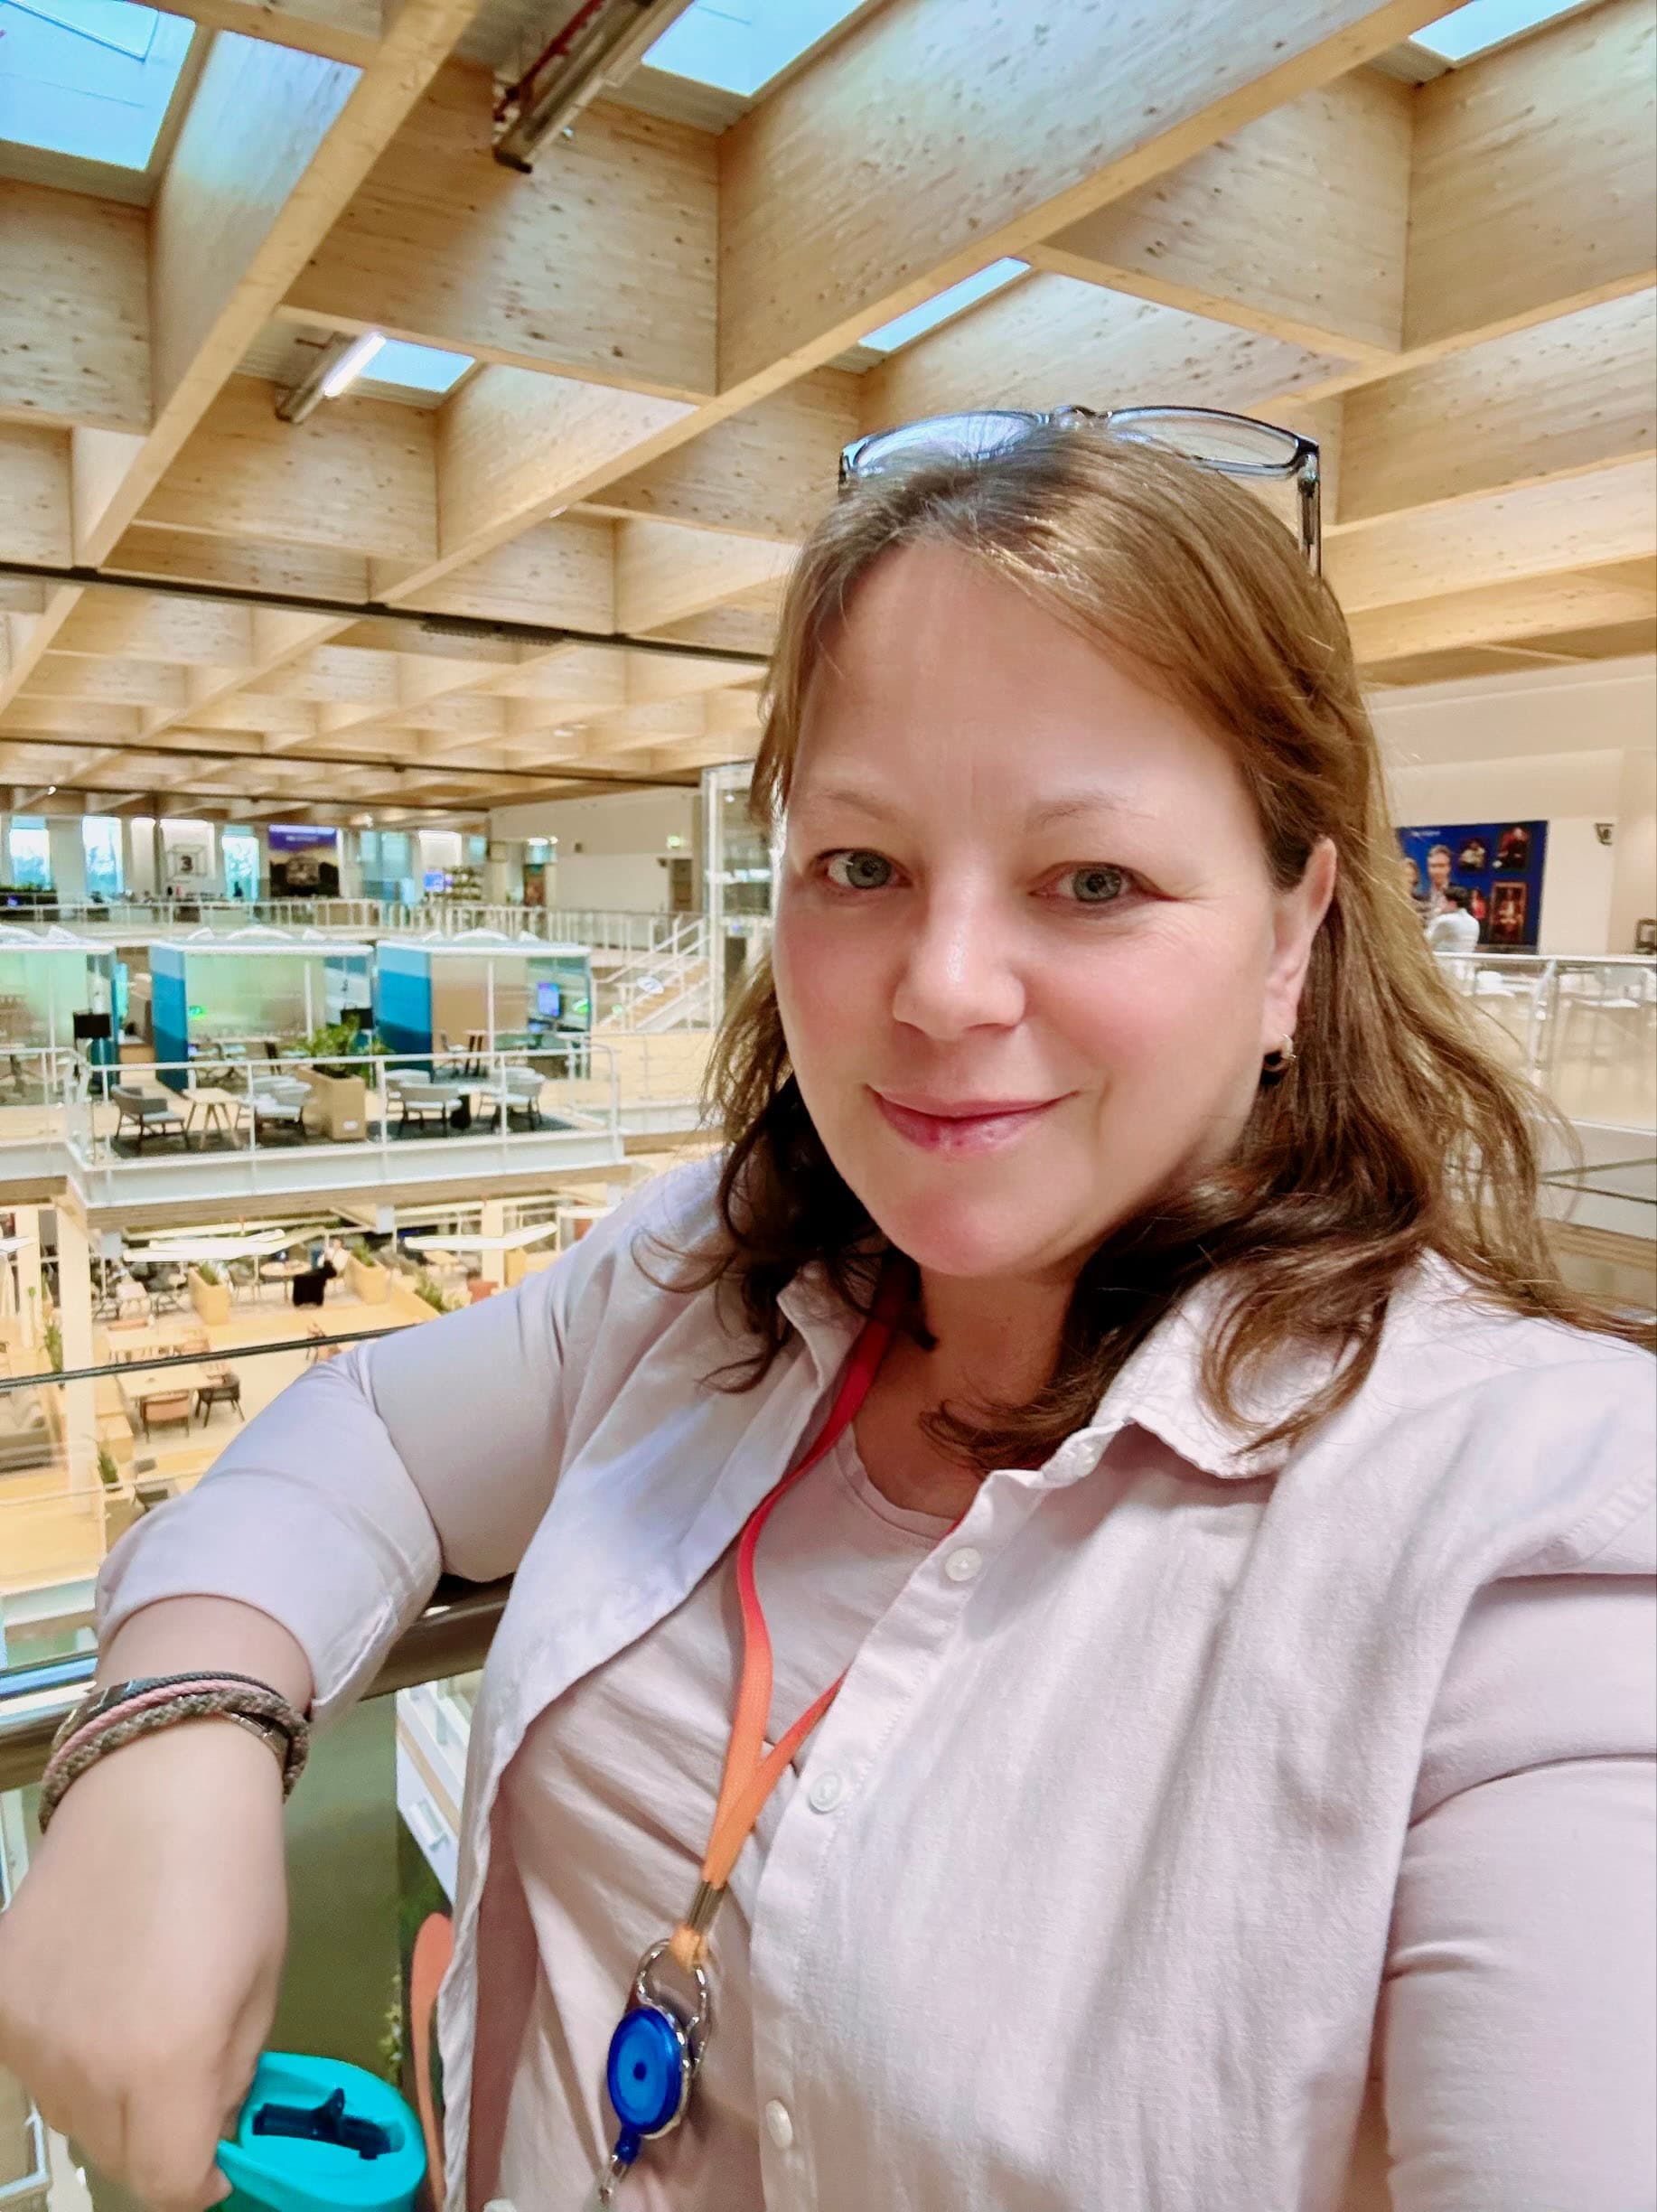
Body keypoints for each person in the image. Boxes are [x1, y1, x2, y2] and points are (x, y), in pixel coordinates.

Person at [1, 420, 1652, 2212]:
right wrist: (180, 1728)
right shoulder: (715, 1286)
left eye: (1089, 881)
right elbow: (370, 1444)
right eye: (859, 865)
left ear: (1289, 935)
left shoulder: (1530, 1550)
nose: (939, 989)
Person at [1426, 882, 1481, 955]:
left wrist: (1435, 915)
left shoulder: (1444, 920)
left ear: (1452, 903)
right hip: (1467, 965)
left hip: (1445, 964)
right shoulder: (1474, 922)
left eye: (1443, 901)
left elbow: (1426, 942)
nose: (1440, 904)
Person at [1421, 841, 1456, 918]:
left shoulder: (1459, 896)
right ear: (1428, 869)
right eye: (1433, 866)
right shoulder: (1421, 898)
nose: (1437, 871)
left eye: (1441, 866)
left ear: (1449, 868)